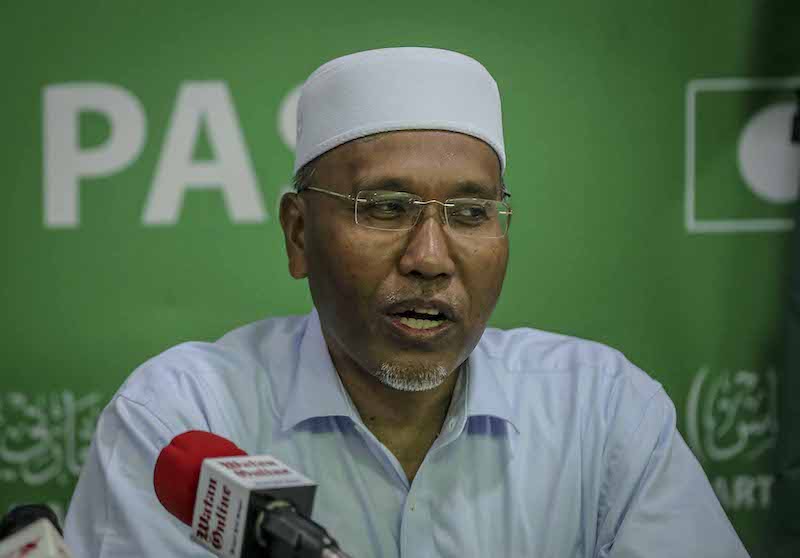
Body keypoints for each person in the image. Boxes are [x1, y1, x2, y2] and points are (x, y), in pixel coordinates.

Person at [64, 47, 748, 557]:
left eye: (471, 214)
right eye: (386, 208)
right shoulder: (182, 419)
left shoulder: (602, 413)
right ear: (300, 234)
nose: (429, 257)